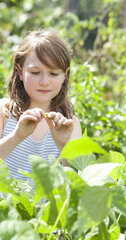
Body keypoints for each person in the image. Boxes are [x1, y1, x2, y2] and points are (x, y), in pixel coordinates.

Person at [0, 30, 82, 183]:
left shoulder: (70, 123)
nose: (44, 81)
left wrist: (63, 145)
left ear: (65, 75)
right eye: (35, 72)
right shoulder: (4, 113)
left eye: (54, 74)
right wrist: (17, 136)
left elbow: (77, 180)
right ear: (20, 71)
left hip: (47, 207)